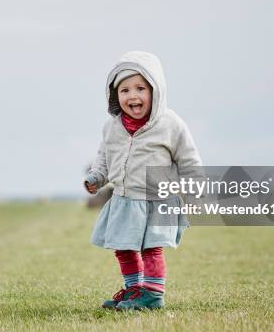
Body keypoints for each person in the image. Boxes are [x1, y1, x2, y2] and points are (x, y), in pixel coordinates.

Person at [84, 51, 202, 311]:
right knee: (123, 247)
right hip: (125, 199)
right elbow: (104, 158)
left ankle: (153, 294)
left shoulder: (171, 124)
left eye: (140, 88)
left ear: (155, 91)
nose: (132, 96)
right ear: (115, 95)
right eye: (124, 90)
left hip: (157, 200)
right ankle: (135, 289)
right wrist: (96, 177)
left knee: (151, 249)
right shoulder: (111, 127)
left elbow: (189, 160)